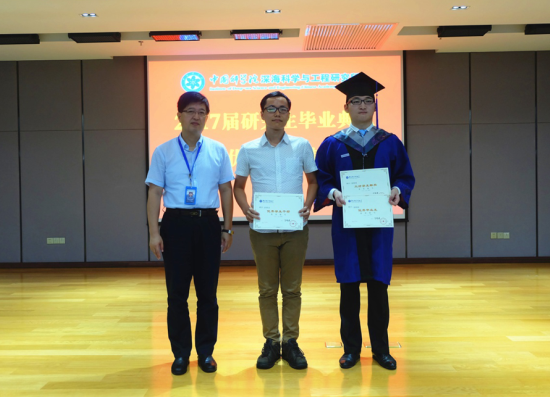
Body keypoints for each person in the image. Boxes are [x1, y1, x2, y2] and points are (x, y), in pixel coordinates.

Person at [313, 73, 415, 370]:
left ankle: (381, 349)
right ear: (346, 106)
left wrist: (398, 190)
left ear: (374, 105)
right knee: (348, 288)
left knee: (378, 287)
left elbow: (404, 176)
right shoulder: (332, 144)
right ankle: (351, 350)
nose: (362, 105)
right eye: (355, 101)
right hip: (346, 225)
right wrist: (332, 193)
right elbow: (321, 179)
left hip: (378, 225)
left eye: (367, 100)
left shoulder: (390, 142)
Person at [146, 91, 235, 376]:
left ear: (207, 117)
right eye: (190, 111)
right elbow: (154, 193)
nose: (196, 116)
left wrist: (227, 227)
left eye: (201, 112)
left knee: (208, 294)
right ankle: (181, 354)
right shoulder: (163, 151)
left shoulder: (218, 150)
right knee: (177, 295)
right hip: (175, 224)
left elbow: (226, 190)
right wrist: (154, 233)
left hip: (208, 223)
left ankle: (206, 352)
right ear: (179, 116)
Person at [234, 91, 318, 370]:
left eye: (282, 108)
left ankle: (290, 342)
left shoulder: (302, 145)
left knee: (292, 289)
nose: (277, 113)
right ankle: (272, 342)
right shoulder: (248, 149)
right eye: (271, 108)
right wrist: (245, 209)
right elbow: (238, 187)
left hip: (295, 228)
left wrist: (307, 204)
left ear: (289, 114)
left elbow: (313, 182)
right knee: (267, 290)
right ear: (262, 114)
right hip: (263, 230)